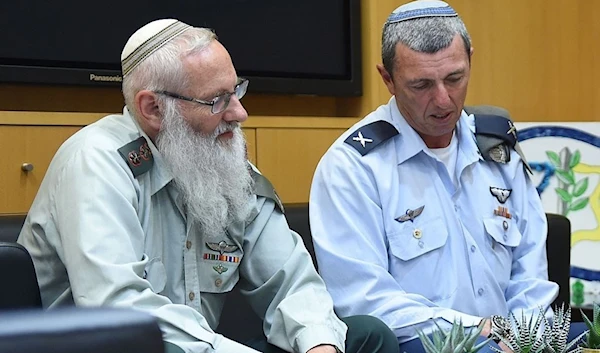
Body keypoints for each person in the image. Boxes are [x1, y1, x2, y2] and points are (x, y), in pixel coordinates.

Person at [17, 19, 400, 353]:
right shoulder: (96, 161)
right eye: (217, 100)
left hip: (204, 348)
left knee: (366, 337)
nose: (239, 113)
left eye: (236, 91)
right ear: (152, 108)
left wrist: (320, 344)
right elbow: (120, 313)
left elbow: (292, 282)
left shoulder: (224, 165)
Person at [308, 1, 587, 352]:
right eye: (421, 85)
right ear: (388, 79)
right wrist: (483, 331)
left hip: (510, 340)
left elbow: (530, 276)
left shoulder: (497, 149)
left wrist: (524, 340)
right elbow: (366, 303)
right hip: (420, 344)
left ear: (470, 58)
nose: (443, 100)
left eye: (455, 78)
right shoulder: (354, 167)